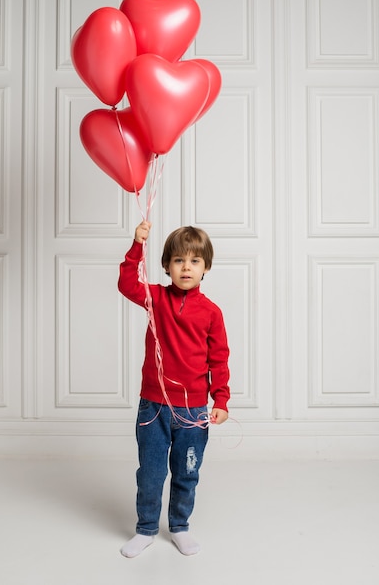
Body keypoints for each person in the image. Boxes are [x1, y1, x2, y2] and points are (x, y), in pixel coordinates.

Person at [118, 221, 230, 558]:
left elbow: (219, 359)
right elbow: (126, 283)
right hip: (153, 406)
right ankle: (146, 528)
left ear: (205, 267)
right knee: (150, 472)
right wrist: (137, 245)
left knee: (186, 473)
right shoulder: (155, 298)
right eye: (179, 260)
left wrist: (221, 398)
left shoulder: (211, 312)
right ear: (167, 265)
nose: (186, 267)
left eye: (195, 261)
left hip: (193, 411)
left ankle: (179, 526)